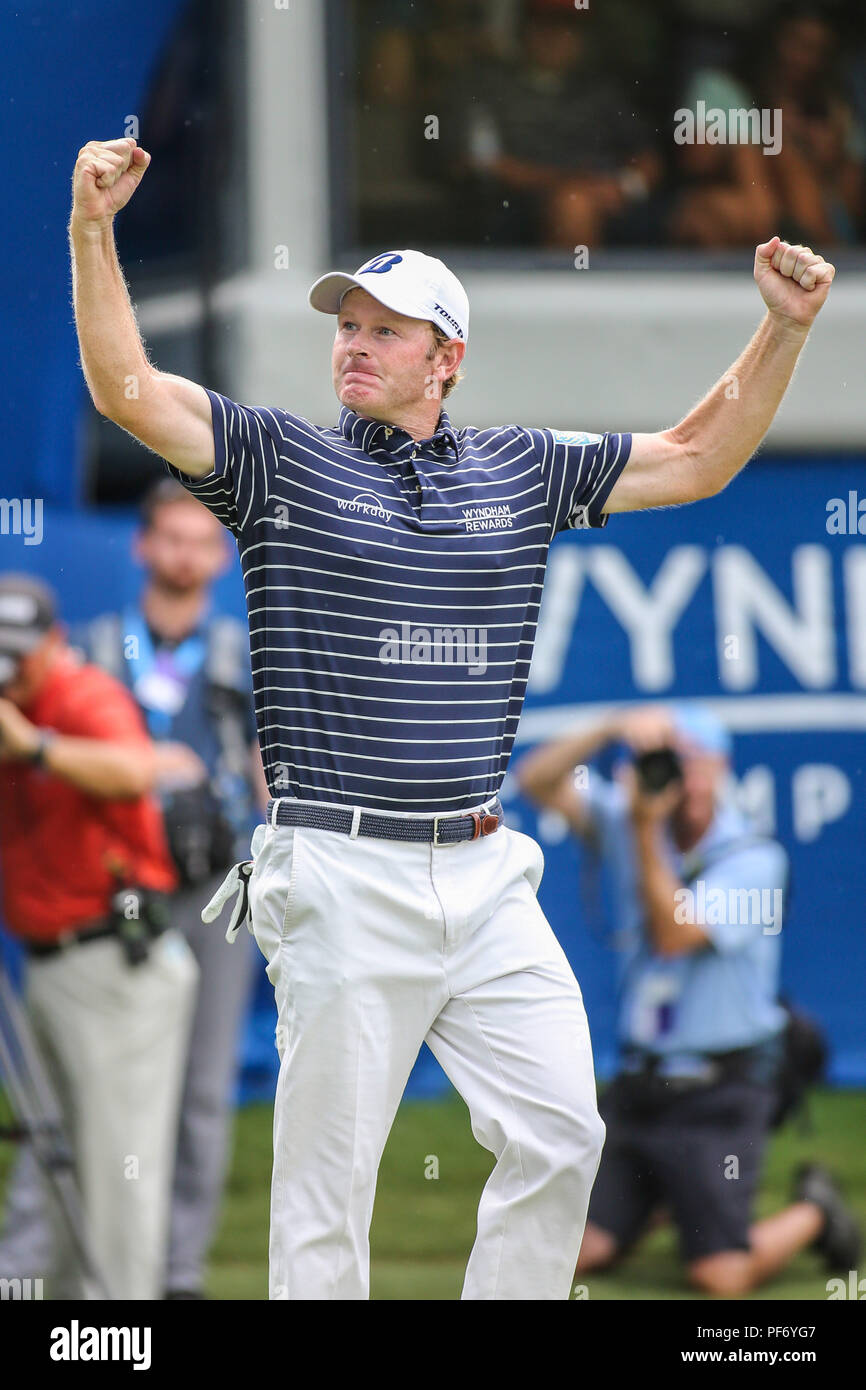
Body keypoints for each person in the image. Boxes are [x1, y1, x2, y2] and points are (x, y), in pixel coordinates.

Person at [68, 132, 834, 1301]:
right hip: (338, 867)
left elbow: (693, 459)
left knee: (562, 1135)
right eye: (345, 324)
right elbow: (127, 389)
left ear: (446, 359)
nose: (354, 345)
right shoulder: (278, 461)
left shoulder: (519, 468)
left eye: (383, 329)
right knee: (326, 1193)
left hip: (485, 873)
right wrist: (92, 227)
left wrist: (780, 328)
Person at [0, 482, 268, 1300]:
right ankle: (36, 1272)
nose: (186, 555)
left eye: (203, 541)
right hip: (107, 893)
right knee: (79, 1094)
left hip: (217, 888)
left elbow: (268, 775)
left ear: (221, 558)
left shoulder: (239, 653)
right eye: (171, 538)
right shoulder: (87, 645)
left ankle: (170, 1273)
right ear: (142, 547)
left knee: (197, 1087)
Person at [516, 704, 861, 1294]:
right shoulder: (626, 817)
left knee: (720, 1277)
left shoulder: (756, 859)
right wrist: (609, 727)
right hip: (643, 1084)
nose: (686, 781)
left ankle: (816, 1211)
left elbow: (675, 935)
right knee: (576, 1252)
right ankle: (661, 1199)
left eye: (697, 764)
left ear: (723, 769)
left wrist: (647, 831)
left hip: (721, 1092)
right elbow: (536, 782)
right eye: (672, 764)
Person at [0, 574, 198, 1299]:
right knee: (54, 1161)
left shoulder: (81, 697)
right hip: (47, 965)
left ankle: (119, 1329)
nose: (8, 670)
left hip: (116, 962)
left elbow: (134, 771)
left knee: (120, 1167)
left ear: (53, 644)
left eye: (17, 654)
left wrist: (36, 749)